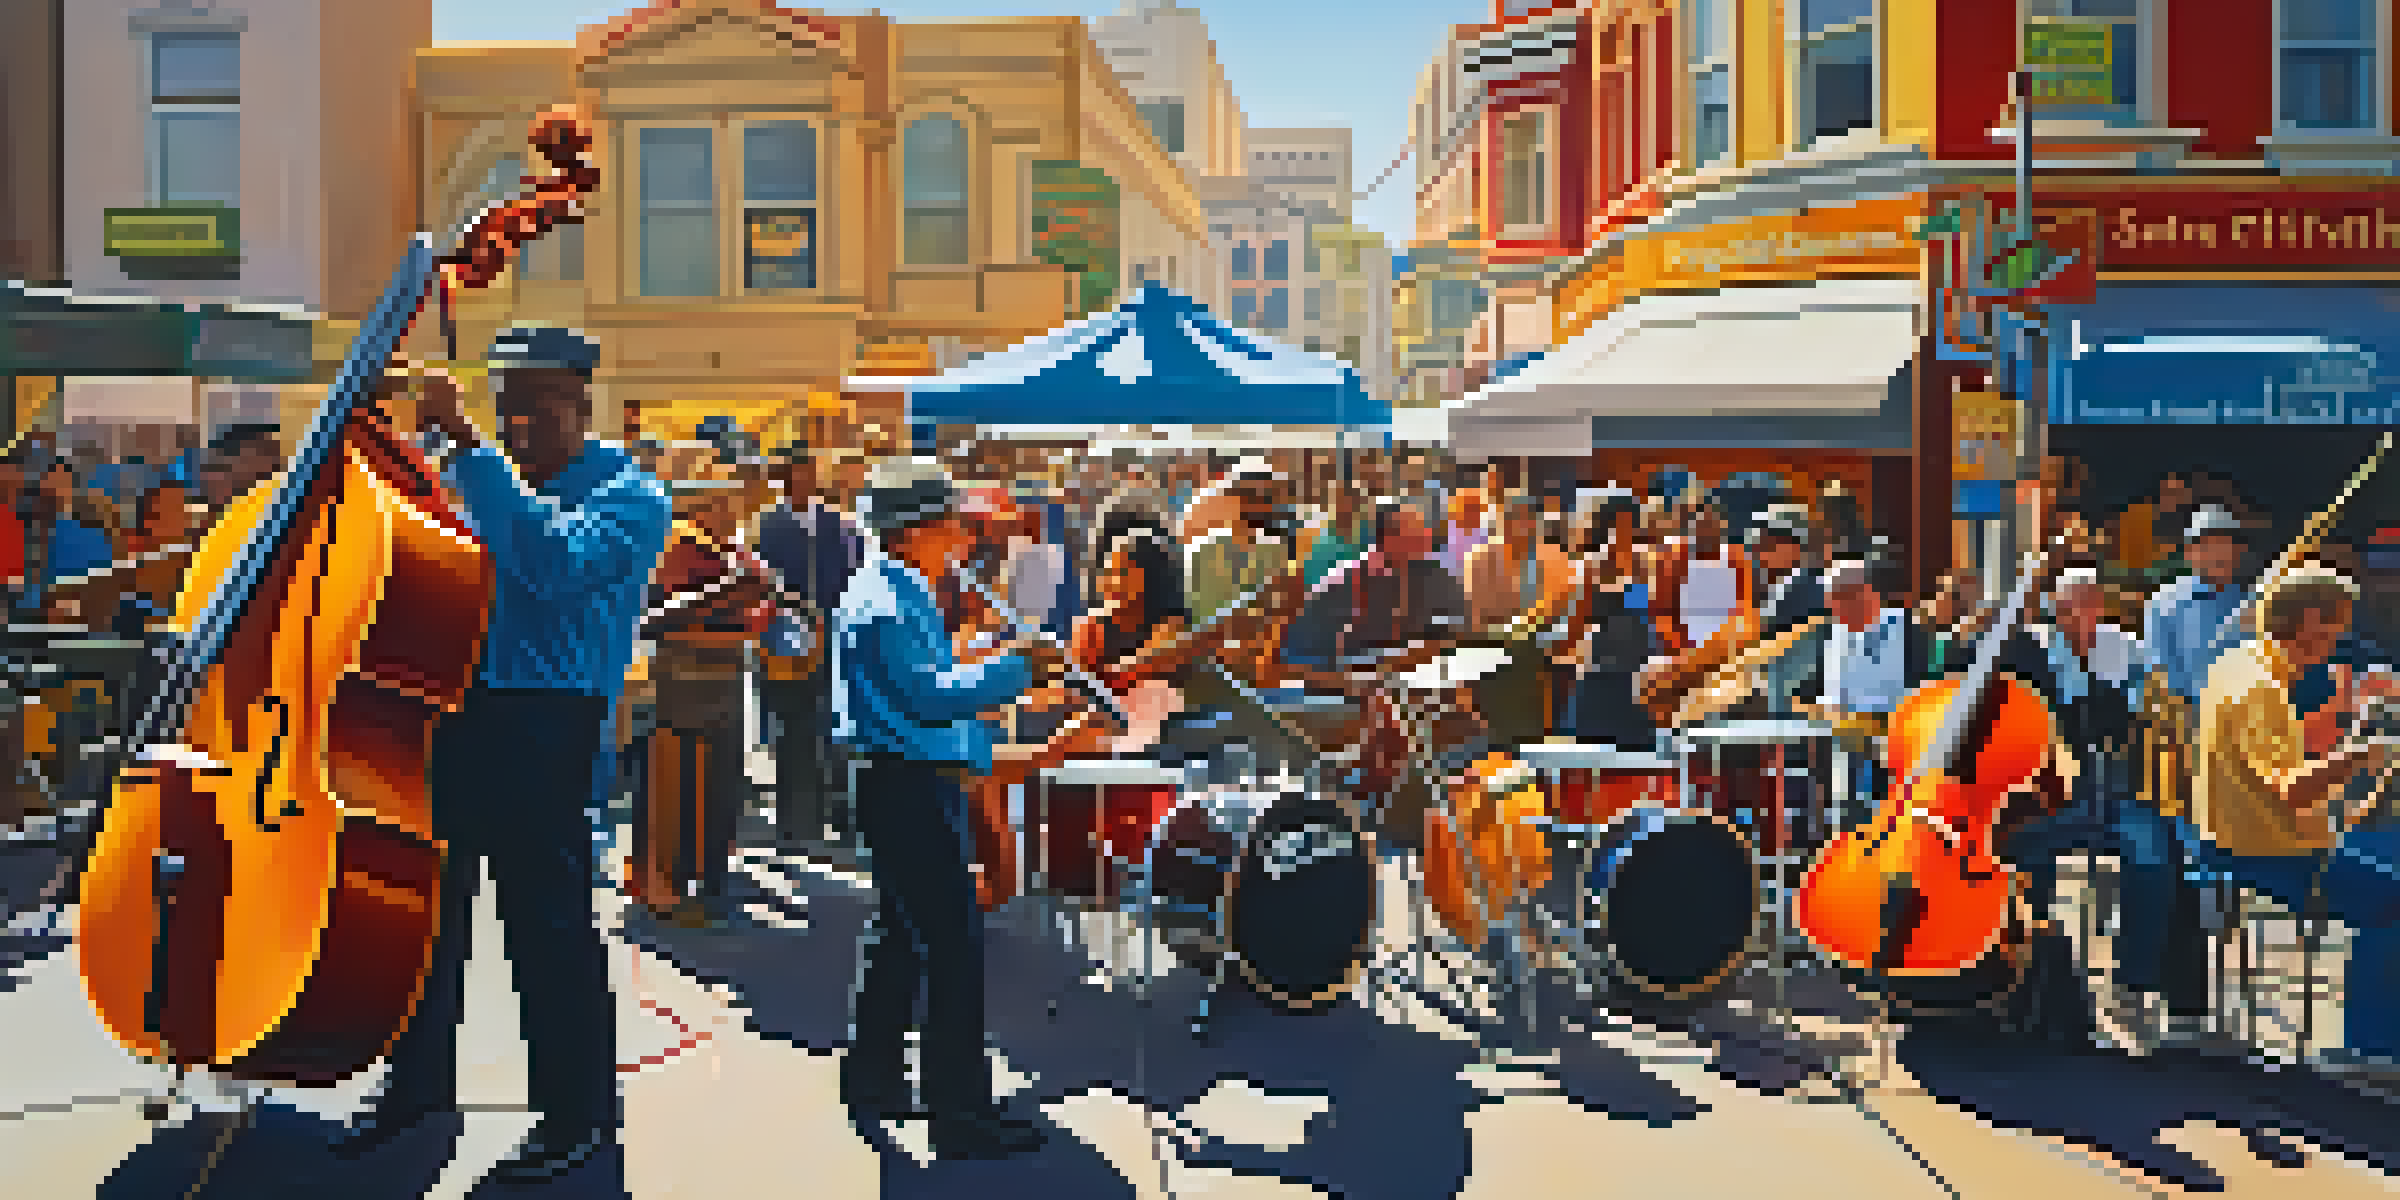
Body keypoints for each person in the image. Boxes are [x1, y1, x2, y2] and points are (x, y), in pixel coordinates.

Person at [335, 328, 671, 1183]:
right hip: (450, 710)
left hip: (548, 724)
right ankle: (415, 1085)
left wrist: (476, 454)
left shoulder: (630, 495)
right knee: (428, 922)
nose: (520, 422)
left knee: (547, 929)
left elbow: (551, 562)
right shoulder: (478, 478)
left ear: (581, 401)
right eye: (507, 405)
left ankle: (577, 1116)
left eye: (539, 405)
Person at [834, 457, 1054, 1159]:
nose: (965, 536)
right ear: (912, 532)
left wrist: (993, 664)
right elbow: (927, 697)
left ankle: (873, 1079)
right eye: (952, 524)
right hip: (905, 784)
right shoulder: (889, 600)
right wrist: (1016, 669)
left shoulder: (900, 590)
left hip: (902, 781)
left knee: (901, 935)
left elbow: (929, 683)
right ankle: (958, 1112)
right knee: (953, 949)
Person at [2190, 565, 2400, 1081]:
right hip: (2265, 849)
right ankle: (2369, 1050)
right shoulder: (2260, 686)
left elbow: (2280, 760)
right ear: (2308, 619)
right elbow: (2290, 791)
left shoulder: (2237, 661)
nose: (2337, 639)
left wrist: (2343, 720)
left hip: (2245, 836)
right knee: (2393, 903)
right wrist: (2364, 753)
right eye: (2334, 626)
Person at [1993, 564, 2202, 1046]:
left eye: (2087, 604)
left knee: (2155, 860)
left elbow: (2151, 707)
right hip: (2049, 793)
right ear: (2053, 608)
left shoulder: (2124, 647)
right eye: (2067, 606)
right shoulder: (2029, 648)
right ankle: (2026, 978)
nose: (2078, 616)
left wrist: (2131, 704)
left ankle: (2133, 982)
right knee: (2018, 855)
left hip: (2120, 786)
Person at [638, 470, 773, 928]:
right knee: (676, 790)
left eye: (733, 504)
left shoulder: (737, 552)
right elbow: (653, 620)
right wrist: (725, 596)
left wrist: (753, 609)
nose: (730, 512)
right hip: (681, 688)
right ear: (696, 508)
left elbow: (758, 612)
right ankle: (669, 886)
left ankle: (712, 883)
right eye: (719, 504)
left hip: (726, 682)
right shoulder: (677, 550)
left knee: (721, 787)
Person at [752, 445, 865, 852]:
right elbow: (760, 583)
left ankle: (842, 818)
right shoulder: (766, 526)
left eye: (806, 473)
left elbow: (858, 576)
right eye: (791, 474)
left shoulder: (842, 526)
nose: (799, 481)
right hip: (786, 643)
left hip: (835, 639)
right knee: (793, 730)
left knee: (838, 728)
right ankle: (796, 823)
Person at [2146, 504, 2252, 712]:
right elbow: (2159, 676)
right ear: (2190, 552)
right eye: (2207, 545)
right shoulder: (2164, 603)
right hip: (2185, 719)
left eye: (2225, 544)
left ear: (2237, 552)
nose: (2218, 554)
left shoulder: (2250, 605)